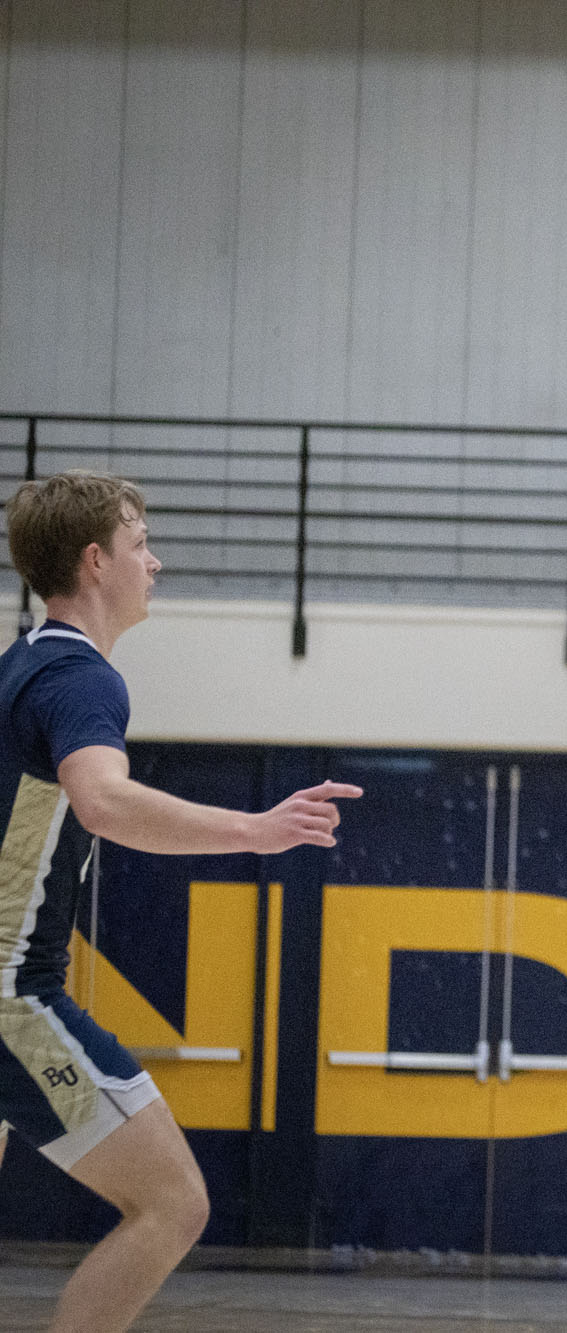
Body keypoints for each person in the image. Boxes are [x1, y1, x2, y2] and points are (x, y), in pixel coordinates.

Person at [0, 470, 361, 1333]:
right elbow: (104, 800)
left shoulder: (18, 664)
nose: (155, 562)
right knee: (173, 1203)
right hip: (14, 996)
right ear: (95, 561)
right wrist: (255, 830)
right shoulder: (83, 680)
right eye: (140, 543)